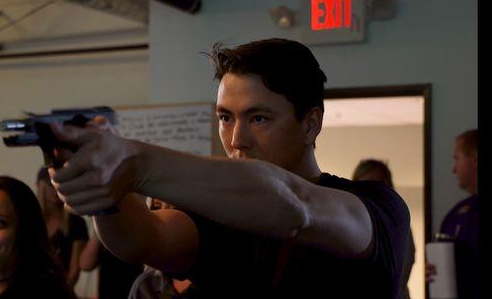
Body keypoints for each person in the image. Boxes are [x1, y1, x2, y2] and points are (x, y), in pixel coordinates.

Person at [48, 38, 410, 298]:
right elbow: (143, 239)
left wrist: (136, 163)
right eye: (225, 117)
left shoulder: (377, 206)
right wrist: (102, 189)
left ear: (310, 123)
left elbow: (294, 205)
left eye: (259, 118)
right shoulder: (220, 217)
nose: (237, 139)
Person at [426, 129, 478, 299]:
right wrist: (436, 271)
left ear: (475, 158)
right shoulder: (456, 214)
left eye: (457, 158)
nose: (453, 169)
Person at [352, 159, 416, 299]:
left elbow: (404, 265)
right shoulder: (353, 222)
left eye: (379, 184)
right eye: (367, 185)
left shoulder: (398, 222)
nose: (374, 191)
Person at [36, 167, 89, 289]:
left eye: (60, 184)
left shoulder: (76, 223)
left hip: (64, 291)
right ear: (40, 186)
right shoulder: (32, 221)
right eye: (50, 184)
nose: (55, 189)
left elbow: (74, 272)